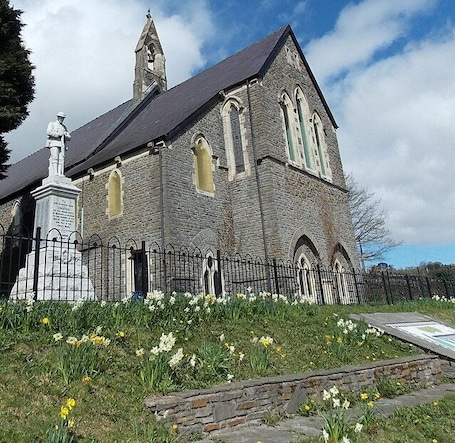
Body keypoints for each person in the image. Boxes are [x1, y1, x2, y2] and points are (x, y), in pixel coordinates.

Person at [46, 112, 71, 176]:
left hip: (62, 144)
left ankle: (60, 173)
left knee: (61, 159)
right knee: (55, 158)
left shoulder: (64, 127)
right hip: (54, 143)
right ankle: (55, 173)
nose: (62, 119)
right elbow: (49, 132)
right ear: (58, 117)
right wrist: (58, 135)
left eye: (63, 118)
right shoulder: (52, 124)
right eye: (61, 117)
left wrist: (65, 135)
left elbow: (69, 137)